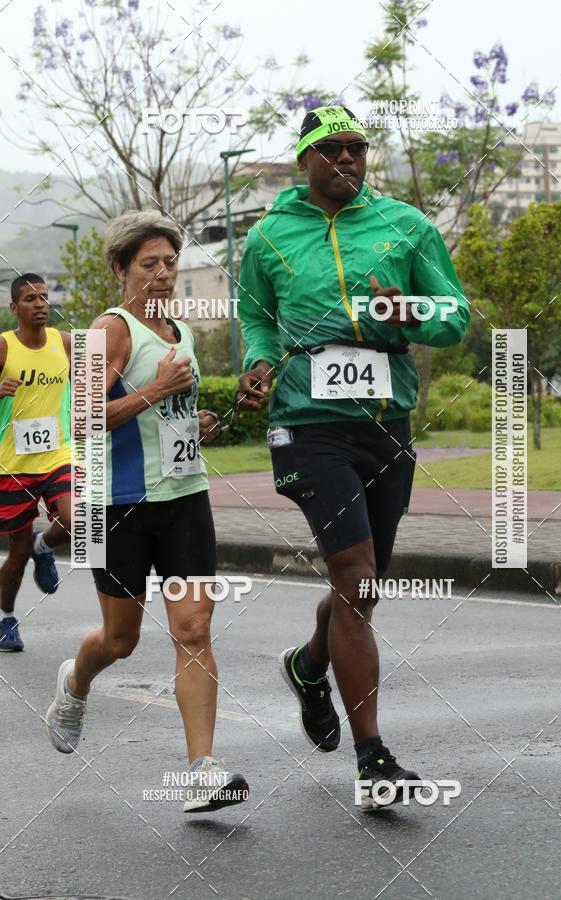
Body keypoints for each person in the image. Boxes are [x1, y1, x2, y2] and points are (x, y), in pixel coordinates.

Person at [236, 105, 470, 809]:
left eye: (357, 150)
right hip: (309, 424)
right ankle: (373, 760)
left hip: (386, 421)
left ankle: (310, 667)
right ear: (305, 159)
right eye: (331, 150)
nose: (346, 160)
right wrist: (257, 360)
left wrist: (414, 314)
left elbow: (455, 313)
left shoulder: (407, 226)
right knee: (358, 578)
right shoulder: (269, 237)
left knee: (358, 590)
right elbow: (254, 315)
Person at [45, 211, 248, 814]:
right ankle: (75, 682)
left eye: (169, 263)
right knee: (120, 639)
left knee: (194, 628)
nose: (162, 275)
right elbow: (79, 422)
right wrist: (155, 391)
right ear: (120, 270)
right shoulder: (110, 331)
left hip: (185, 498)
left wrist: (193, 421)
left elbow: (164, 416)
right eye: (148, 265)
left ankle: (201, 771)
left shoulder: (181, 332)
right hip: (117, 505)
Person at [0, 274, 72, 652]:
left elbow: (108, 366)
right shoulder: (3, 347)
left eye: (44, 296)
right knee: (18, 552)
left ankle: (47, 546)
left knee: (78, 521)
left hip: (58, 455)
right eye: (30, 299)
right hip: (13, 464)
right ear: (15, 308)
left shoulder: (64, 343)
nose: (41, 303)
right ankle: (6, 618)